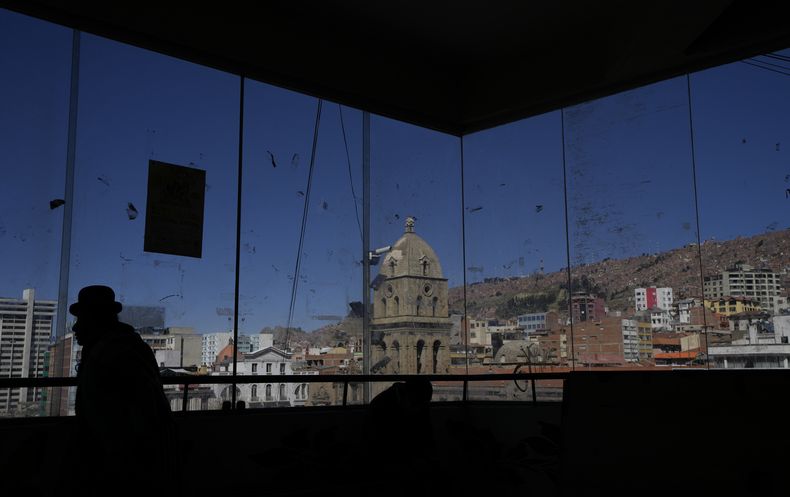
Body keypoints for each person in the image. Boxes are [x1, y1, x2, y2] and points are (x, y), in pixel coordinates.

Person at [70, 285, 179, 497]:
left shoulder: (108, 353)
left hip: (125, 470)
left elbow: (125, 423)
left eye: (81, 319)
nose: (75, 328)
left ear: (95, 320)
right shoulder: (126, 347)